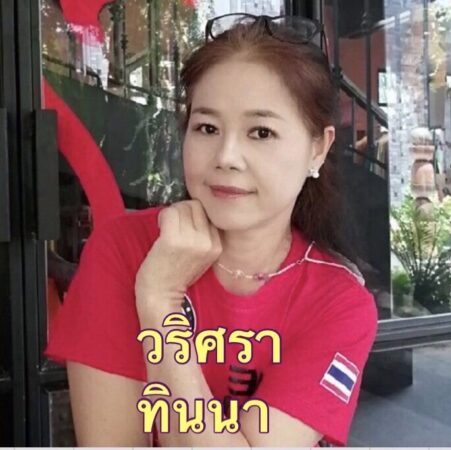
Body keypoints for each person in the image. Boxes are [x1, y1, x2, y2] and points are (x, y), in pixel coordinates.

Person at [44, 13, 378, 447]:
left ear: (318, 148)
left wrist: (161, 304)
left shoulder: (339, 302)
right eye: (207, 127)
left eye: (261, 132)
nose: (226, 156)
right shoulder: (123, 250)